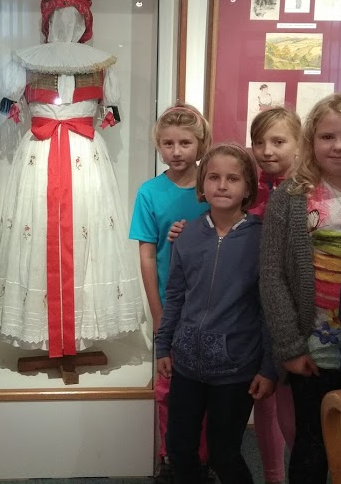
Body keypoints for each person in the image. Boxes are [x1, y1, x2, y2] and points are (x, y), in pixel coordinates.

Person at [0, 0, 143, 357]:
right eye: (59, 14)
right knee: (36, 226)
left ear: (85, 20)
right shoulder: (25, 61)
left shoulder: (101, 65)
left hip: (82, 154)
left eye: (73, 15)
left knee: (87, 225)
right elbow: (5, 107)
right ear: (48, 18)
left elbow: (112, 114)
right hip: (43, 153)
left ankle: (79, 327)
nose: (66, 22)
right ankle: (46, 327)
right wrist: (15, 110)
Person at [259, 92, 341, 484]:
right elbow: (272, 275)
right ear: (311, 140)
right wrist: (289, 346)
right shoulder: (291, 196)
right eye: (327, 136)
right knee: (311, 447)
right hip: (313, 349)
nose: (338, 146)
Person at [156, 143, 277, 484]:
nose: (222, 185)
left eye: (233, 178)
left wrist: (269, 367)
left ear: (248, 188)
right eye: (213, 177)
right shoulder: (188, 235)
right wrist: (163, 345)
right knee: (180, 449)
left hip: (236, 369)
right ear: (202, 184)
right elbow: (175, 296)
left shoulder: (263, 239)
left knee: (224, 454)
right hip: (186, 366)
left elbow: (270, 307)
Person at [129, 102, 213, 482]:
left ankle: (204, 457)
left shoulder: (214, 187)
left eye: (185, 143)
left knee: (209, 386)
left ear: (200, 144)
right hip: (172, 308)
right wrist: (158, 312)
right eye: (168, 143)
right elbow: (147, 255)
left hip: (214, 307)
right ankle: (170, 455)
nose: (176, 151)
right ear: (158, 145)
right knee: (168, 386)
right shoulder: (150, 192)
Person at [248, 107, 302, 484]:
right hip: (252, 307)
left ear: (299, 145)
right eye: (259, 142)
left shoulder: (305, 191)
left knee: (292, 407)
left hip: (289, 312)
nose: (267, 150)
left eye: (278, 141)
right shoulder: (248, 186)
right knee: (262, 398)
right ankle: (273, 476)